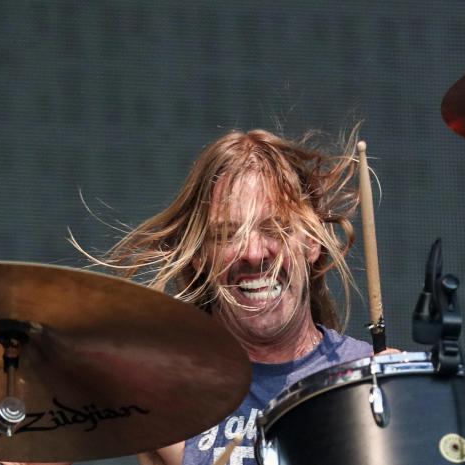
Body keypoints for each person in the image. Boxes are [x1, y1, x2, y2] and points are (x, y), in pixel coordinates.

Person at [85, 128, 394, 465]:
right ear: (200, 254)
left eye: (274, 228)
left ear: (312, 242)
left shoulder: (377, 383)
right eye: (228, 234)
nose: (253, 252)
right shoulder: (161, 393)